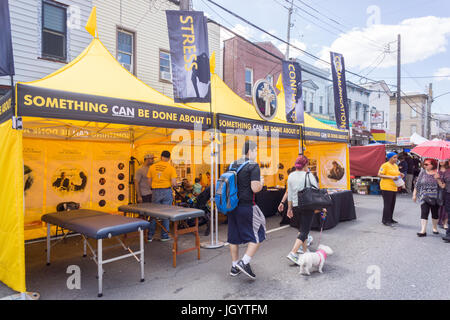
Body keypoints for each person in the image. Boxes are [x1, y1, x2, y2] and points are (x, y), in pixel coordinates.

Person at [228, 140, 265, 280]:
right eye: (256, 150)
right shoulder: (253, 166)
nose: (256, 153)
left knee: (234, 236)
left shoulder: (232, 164)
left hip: (232, 206)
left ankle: (234, 266)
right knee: (259, 232)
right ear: (250, 151)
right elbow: (255, 188)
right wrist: (261, 182)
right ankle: (244, 262)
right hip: (247, 206)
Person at [285, 155, 327, 265]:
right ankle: (293, 253)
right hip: (307, 206)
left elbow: (289, 193)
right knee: (304, 231)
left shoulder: (290, 176)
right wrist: (321, 207)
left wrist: (289, 208)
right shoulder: (309, 176)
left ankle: (304, 252)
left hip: (295, 206)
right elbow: (316, 192)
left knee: (301, 229)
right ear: (305, 165)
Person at [147, 150, 178, 242]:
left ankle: (150, 236)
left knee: (153, 214)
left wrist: (153, 188)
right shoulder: (171, 168)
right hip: (166, 191)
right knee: (166, 214)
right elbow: (173, 182)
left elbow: (149, 181)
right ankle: (164, 236)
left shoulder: (152, 167)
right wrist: (175, 185)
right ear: (169, 158)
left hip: (155, 191)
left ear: (161, 157)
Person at [413, 159, 441, 237]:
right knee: (424, 212)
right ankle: (423, 230)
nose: (424, 166)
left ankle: (434, 228)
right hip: (424, 196)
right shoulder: (422, 172)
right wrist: (414, 194)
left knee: (435, 214)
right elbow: (417, 184)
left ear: (432, 165)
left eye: (426, 164)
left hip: (435, 196)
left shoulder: (438, 172)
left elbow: (442, 186)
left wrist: (438, 178)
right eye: (424, 164)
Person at [378, 152, 404, 226]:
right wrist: (391, 177)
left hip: (394, 187)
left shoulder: (396, 165)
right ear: (389, 158)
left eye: (396, 157)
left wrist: (401, 174)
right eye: (394, 157)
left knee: (392, 204)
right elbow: (379, 174)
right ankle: (385, 220)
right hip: (386, 187)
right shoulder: (385, 165)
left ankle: (390, 218)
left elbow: (397, 173)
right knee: (387, 204)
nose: (396, 159)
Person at [437, 161, 449, 231]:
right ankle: (439, 220)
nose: (441, 161)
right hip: (438, 190)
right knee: (440, 206)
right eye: (440, 159)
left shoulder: (448, 170)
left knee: (446, 207)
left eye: (443, 159)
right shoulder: (437, 169)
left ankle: (445, 222)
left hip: (447, 190)